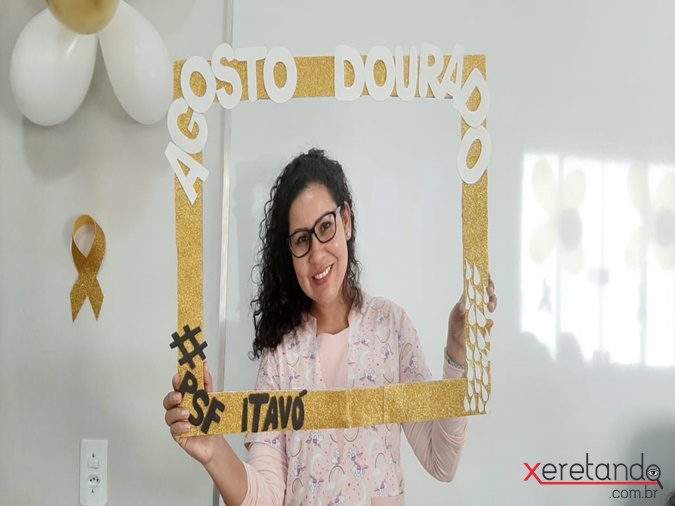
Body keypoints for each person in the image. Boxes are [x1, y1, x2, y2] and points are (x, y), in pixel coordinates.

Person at [163, 149, 497, 505]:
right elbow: (267, 498)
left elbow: (441, 461)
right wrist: (214, 450)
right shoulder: (281, 360)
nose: (317, 255)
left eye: (325, 227)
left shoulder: (391, 328)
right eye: (302, 240)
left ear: (346, 220)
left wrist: (457, 347)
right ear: (290, 253)